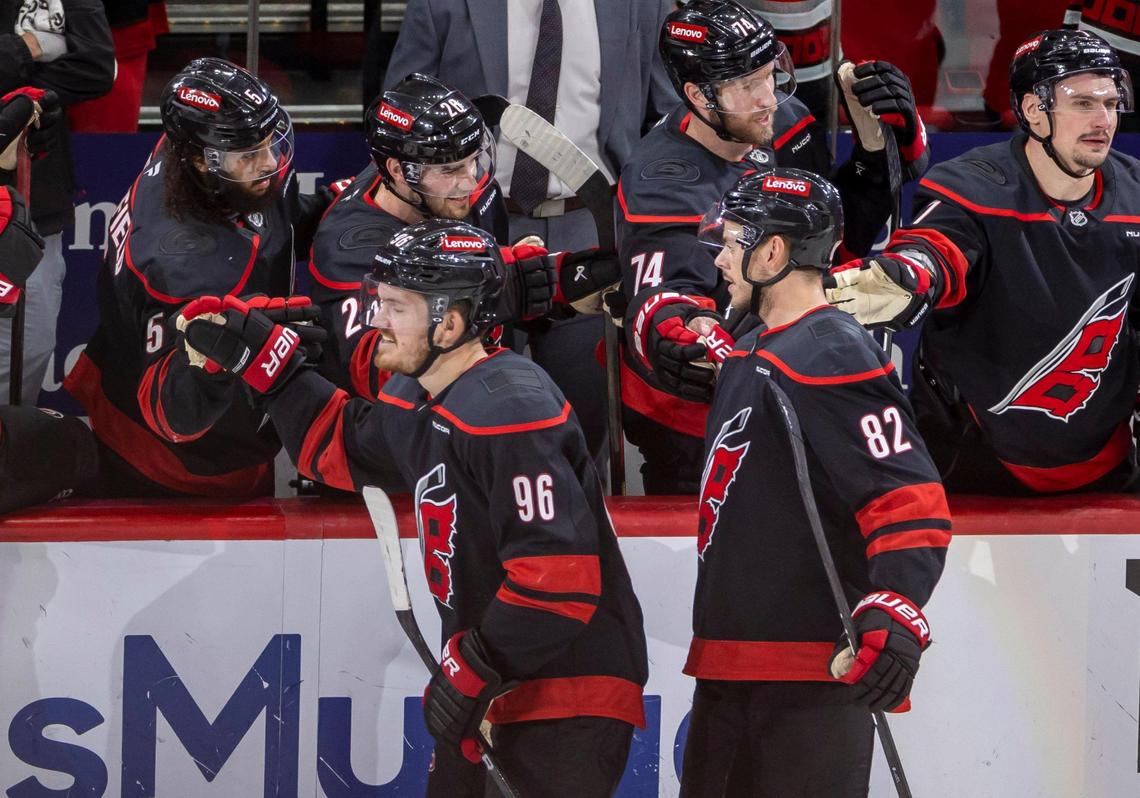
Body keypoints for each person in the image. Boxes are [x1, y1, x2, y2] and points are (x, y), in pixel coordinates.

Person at [178, 219, 649, 797]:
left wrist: (470, 668)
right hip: (492, 688)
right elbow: (341, 445)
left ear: (449, 323)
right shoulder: (420, 394)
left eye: (396, 307)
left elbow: (558, 581)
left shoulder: (511, 409)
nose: (376, 322)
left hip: (566, 693)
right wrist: (270, 367)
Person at [679, 167, 950, 797]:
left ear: (772, 252)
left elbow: (908, 497)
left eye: (733, 241)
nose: (720, 259)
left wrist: (895, 606)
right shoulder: (762, 349)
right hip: (734, 666)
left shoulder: (828, 349)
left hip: (805, 674)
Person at [618, 0, 929, 493]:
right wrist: (684, 328)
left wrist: (881, 149)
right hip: (695, 419)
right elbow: (668, 300)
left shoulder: (786, 119)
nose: (768, 97)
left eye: (769, 74)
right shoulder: (664, 180)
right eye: (746, 85)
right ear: (698, 94)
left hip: (785, 382)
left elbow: (837, 238)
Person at [825, 28, 1140, 494]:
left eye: (1111, 103)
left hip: (1106, 464)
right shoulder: (974, 184)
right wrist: (908, 275)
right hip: (972, 461)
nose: (1103, 120)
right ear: (1035, 110)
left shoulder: (1136, 193)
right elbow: (937, 247)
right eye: (1083, 104)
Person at [383, 0, 680, 470]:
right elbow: (401, 108)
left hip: (588, 225)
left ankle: (575, 524)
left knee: (583, 424)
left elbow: (669, 119)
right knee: (461, 414)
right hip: (470, 227)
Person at [57, 57, 332, 498]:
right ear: (200, 161)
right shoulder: (185, 266)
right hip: (178, 466)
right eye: (249, 155)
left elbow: (270, 225)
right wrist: (216, 359)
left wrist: (337, 203)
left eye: (270, 143)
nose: (269, 163)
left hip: (131, 381)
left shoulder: (192, 151)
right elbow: (173, 415)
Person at [310, 73, 620, 400]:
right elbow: (383, 374)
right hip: (392, 434)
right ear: (399, 171)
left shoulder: (458, 191)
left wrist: (544, 284)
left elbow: (475, 260)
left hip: (473, 393)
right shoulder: (350, 251)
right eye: (450, 170)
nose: (469, 181)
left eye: (473, 161)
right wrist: (510, 288)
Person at [0, 0, 114, 404]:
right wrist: (27, 48)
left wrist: (15, 90)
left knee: (28, 350)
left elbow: (96, 66)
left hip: (32, 206)